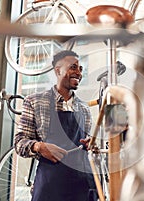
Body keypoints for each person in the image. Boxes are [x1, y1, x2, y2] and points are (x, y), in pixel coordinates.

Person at [14, 50, 97, 201]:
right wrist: (39, 146)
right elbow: (20, 142)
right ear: (58, 70)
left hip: (81, 185)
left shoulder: (84, 109)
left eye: (80, 69)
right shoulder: (35, 102)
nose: (78, 73)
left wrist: (90, 143)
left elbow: (86, 142)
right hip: (50, 185)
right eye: (73, 67)